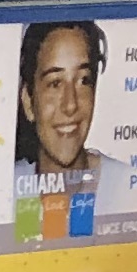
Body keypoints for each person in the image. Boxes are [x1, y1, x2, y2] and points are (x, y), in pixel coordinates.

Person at [14, 17, 108, 240]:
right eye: (55, 83)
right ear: (28, 102)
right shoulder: (2, 188)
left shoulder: (128, 184)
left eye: (83, 80)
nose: (70, 105)